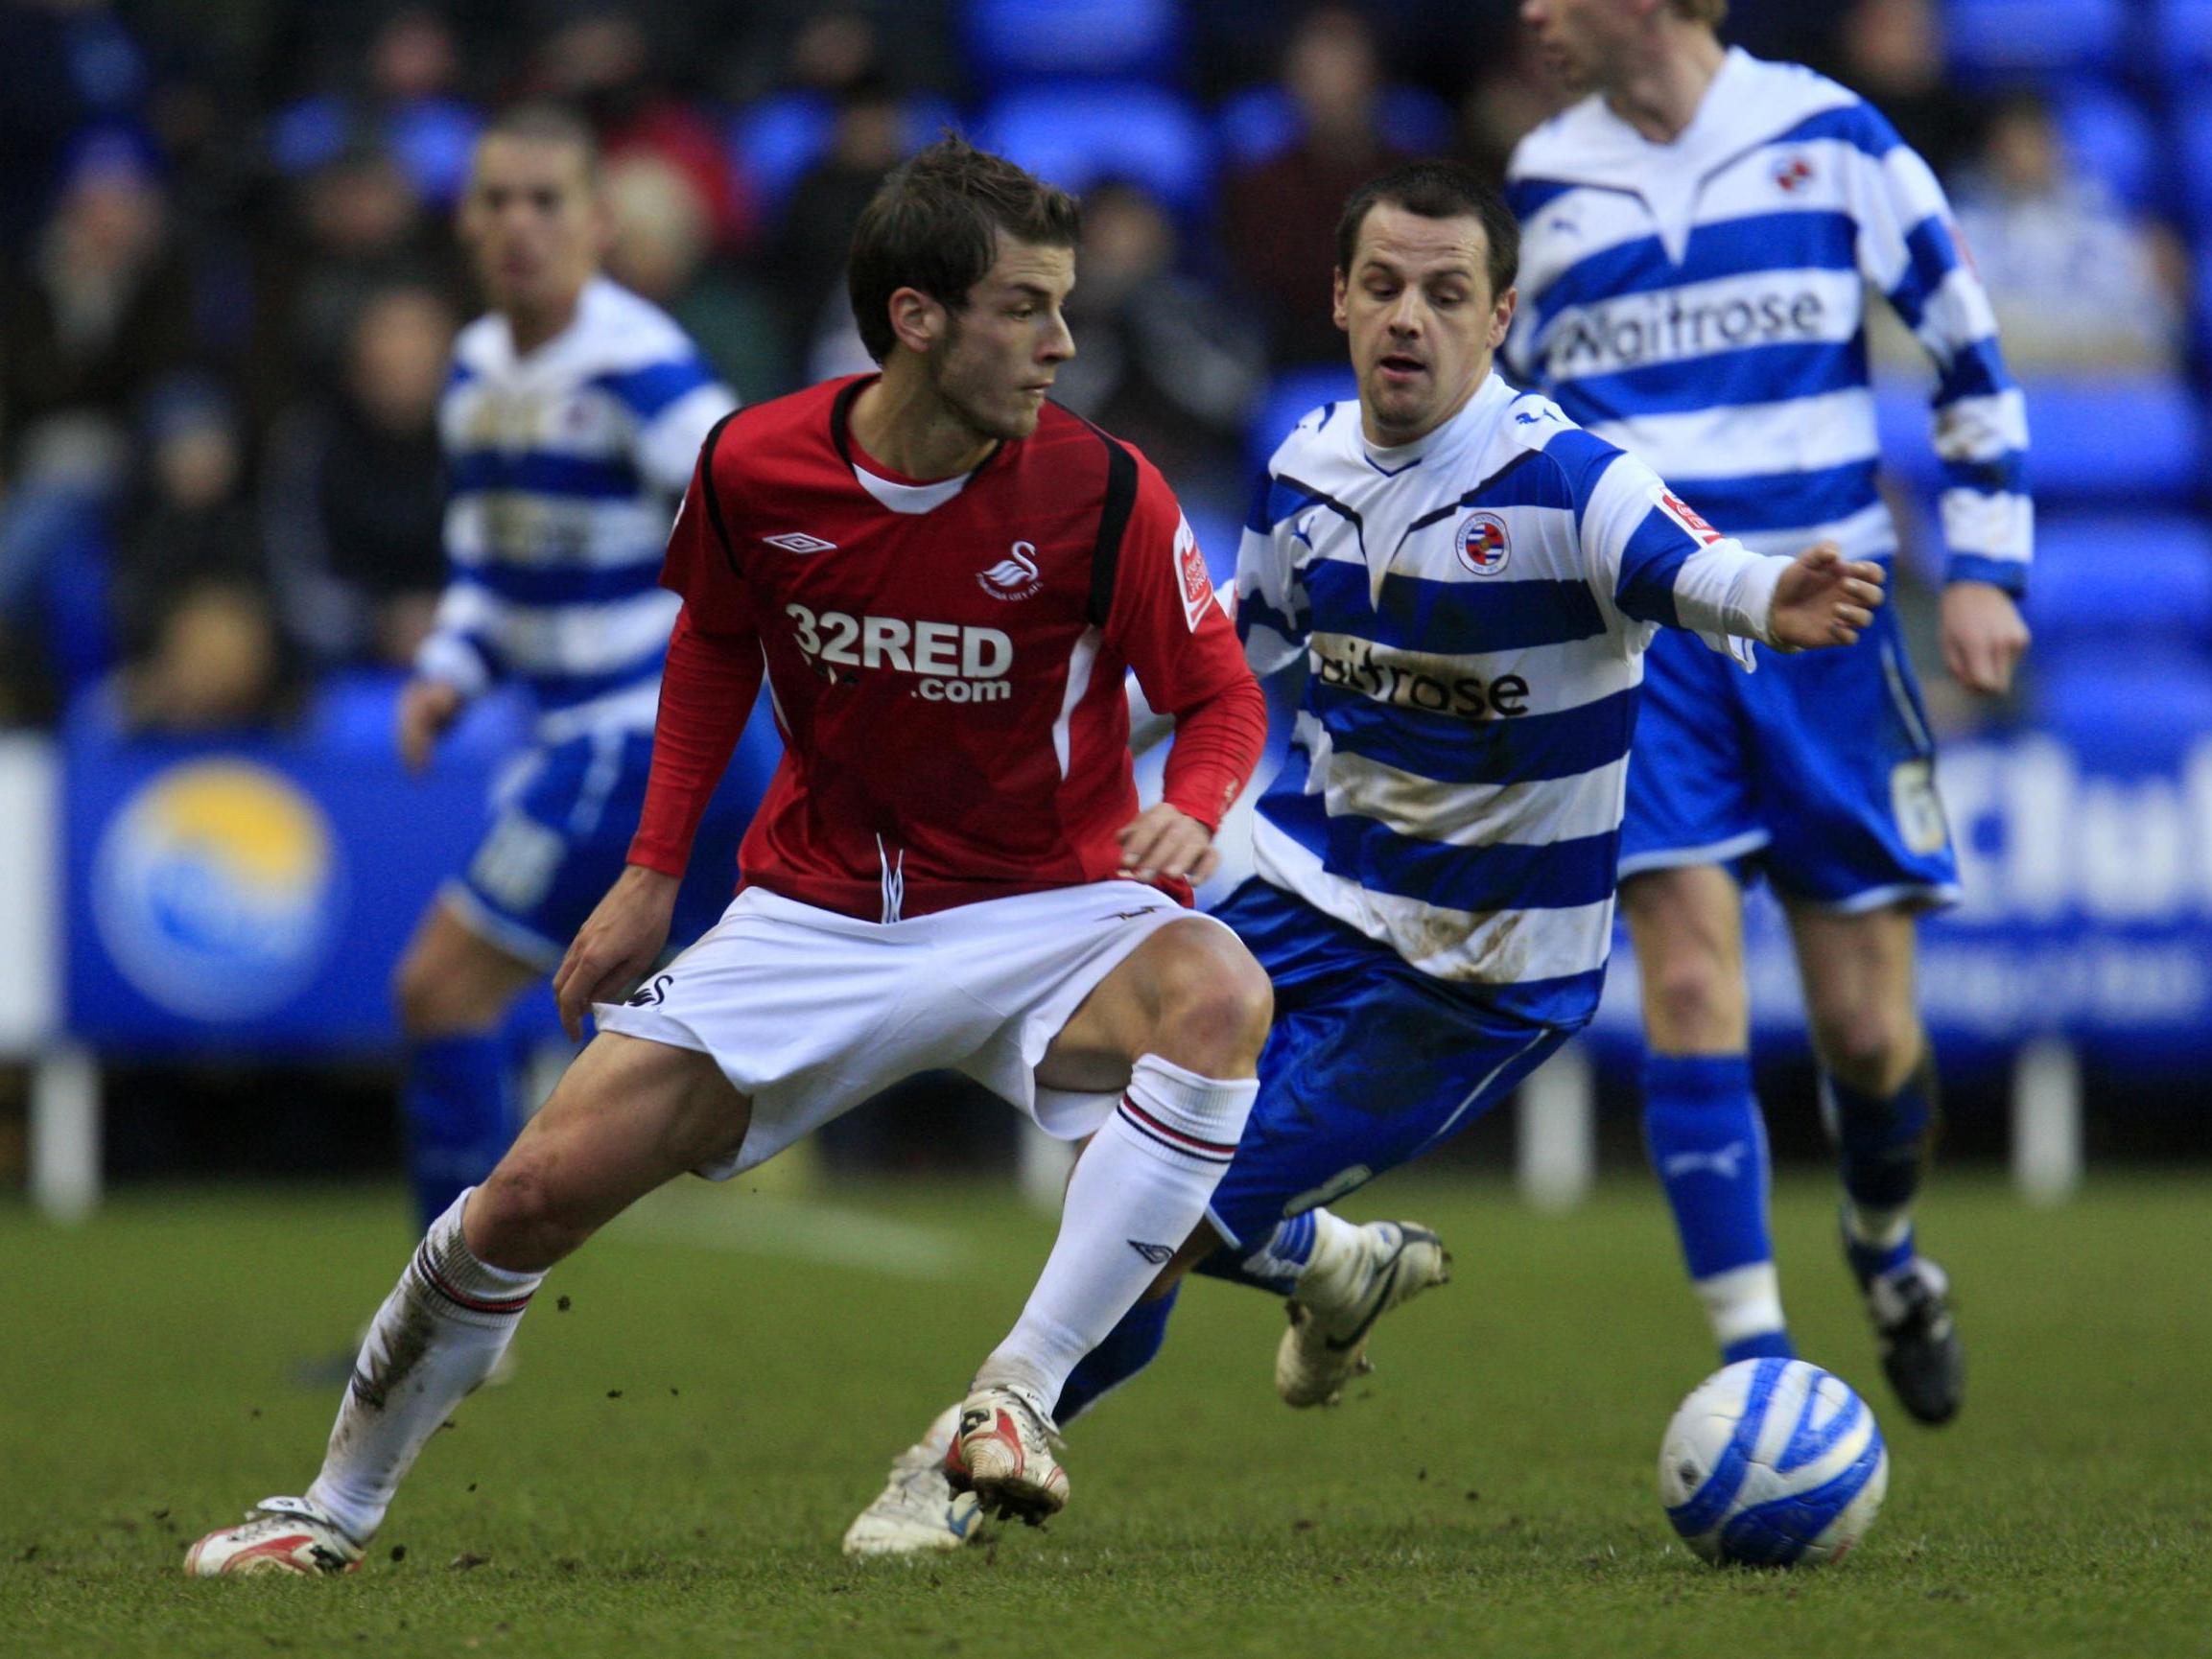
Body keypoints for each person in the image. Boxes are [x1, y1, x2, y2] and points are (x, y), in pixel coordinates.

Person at [183, 132, 1274, 1577]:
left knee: (1220, 993)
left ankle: (1010, 1394)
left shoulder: (1106, 491)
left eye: (1063, 307)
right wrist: (648, 873)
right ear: (917, 317)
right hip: (815, 914)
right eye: (1026, 308)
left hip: (1047, 907)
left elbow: (1220, 692)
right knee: (525, 1197)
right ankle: (327, 1510)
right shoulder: (754, 462)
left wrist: (1193, 800)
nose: (1063, 344)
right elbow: (708, 639)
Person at [844, 157, 1889, 1556]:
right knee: (1114, 1134)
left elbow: (1701, 568)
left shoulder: (1570, 484)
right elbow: (1224, 653)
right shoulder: (1303, 466)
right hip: (1298, 889)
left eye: (1446, 293)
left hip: (1474, 977)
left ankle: (973, 1448)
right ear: (1336, 297)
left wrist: (1774, 592)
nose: (1410, 316)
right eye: (1384, 285)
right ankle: (1331, 1265)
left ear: (1498, 315)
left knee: (1167, 1216)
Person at [1506, 0, 2032, 1423]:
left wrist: (1982, 570)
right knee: (1684, 982)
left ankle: (1884, 1248)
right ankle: (1755, 1374)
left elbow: (1968, 354)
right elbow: (1513, 426)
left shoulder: (1832, 138)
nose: (1530, 10)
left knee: (1866, 1032)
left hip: (1830, 620)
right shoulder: (1542, 181)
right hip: (1656, 633)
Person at [365, 105, 742, 1250]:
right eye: (496, 199)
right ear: (466, 219)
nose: (519, 223)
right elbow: (485, 560)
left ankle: (443, 1302)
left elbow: (757, 510)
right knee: (656, 1035)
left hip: (634, 733)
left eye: (546, 200)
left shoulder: (640, 368)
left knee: (442, 987)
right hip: (570, 735)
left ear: (597, 222)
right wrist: (445, 669)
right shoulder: (477, 368)